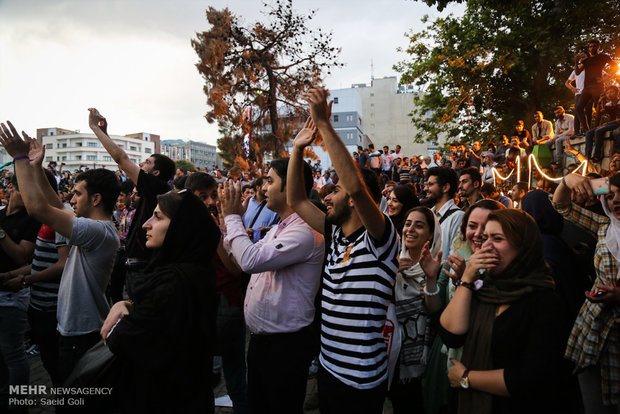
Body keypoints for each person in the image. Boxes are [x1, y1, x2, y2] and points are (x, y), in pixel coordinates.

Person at [290, 89, 399, 414]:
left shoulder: (381, 237)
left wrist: (325, 125)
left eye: (334, 190)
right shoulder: (334, 231)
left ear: (353, 199)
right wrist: (297, 148)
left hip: (362, 380)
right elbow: (296, 200)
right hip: (329, 367)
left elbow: (353, 185)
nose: (327, 196)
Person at [0, 122, 121, 383]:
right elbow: (55, 204)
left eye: (78, 194)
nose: (72, 199)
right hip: (77, 330)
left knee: (75, 401)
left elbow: (38, 210)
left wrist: (19, 159)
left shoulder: (98, 230)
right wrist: (35, 169)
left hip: (83, 334)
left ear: (96, 199)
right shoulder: (94, 227)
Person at [439, 209, 571, 414]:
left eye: (497, 238)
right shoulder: (483, 287)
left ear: (523, 247)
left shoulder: (544, 302)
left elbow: (532, 377)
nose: (486, 246)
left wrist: (467, 377)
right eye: (485, 239)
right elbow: (451, 335)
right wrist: (466, 279)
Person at [221, 157, 324, 414]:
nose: (263, 188)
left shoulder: (304, 232)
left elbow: (250, 260)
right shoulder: (279, 226)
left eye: (269, 181)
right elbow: (243, 255)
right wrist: (225, 228)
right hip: (264, 343)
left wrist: (234, 218)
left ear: (292, 187)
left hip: (285, 348)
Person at [102, 190, 220, 413]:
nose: (146, 224)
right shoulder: (194, 271)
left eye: (158, 217)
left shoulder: (173, 283)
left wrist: (124, 309)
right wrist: (128, 304)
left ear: (180, 228)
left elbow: (119, 339)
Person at [88, 108, 175, 298]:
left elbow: (121, 158)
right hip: (138, 264)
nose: (141, 165)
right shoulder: (154, 189)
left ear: (156, 173)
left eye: (147, 162)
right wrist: (105, 134)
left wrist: (94, 128)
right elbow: (121, 160)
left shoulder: (156, 187)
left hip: (144, 266)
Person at [553, 173, 620, 413]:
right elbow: (562, 206)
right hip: (594, 331)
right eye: (611, 196)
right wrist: (567, 180)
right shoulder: (604, 227)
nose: (616, 201)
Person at [388, 207, 441, 413]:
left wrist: (431, 278)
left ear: (431, 234)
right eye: (408, 223)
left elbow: (433, 310)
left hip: (419, 361)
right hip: (392, 354)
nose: (410, 229)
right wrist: (390, 274)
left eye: (419, 225)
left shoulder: (437, 266)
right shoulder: (392, 262)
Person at [424, 167, 465, 260]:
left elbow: (455, 257)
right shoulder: (428, 214)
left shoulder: (458, 217)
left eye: (430, 185)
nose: (425, 188)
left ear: (445, 187)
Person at [241, 176, 279, 242]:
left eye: (270, 184)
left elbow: (281, 225)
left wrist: (267, 229)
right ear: (258, 187)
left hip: (264, 246)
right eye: (266, 184)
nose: (268, 187)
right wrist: (244, 230)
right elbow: (239, 221)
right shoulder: (246, 203)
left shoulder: (275, 205)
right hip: (244, 243)